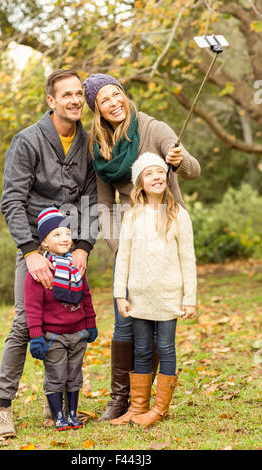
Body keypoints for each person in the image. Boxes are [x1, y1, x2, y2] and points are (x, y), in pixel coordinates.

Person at [83, 73, 200, 421]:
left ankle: (154, 404)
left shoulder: (154, 128)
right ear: (97, 109)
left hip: (165, 234)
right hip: (131, 240)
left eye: (116, 94)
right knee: (125, 324)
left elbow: (192, 170)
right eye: (104, 100)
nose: (113, 102)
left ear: (124, 94)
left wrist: (177, 159)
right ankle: (124, 401)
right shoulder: (100, 147)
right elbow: (104, 205)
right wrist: (121, 247)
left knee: (161, 325)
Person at [0, 69, 98, 438]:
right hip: (35, 248)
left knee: (69, 322)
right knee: (25, 323)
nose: (74, 100)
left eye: (78, 94)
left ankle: (59, 405)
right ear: (51, 101)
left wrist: (84, 246)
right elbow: (12, 201)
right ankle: (3, 407)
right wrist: (31, 252)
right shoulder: (27, 141)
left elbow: (91, 200)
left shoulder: (88, 142)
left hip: (72, 250)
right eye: (65, 94)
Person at [111, 152, 197, 426]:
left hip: (168, 296)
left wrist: (190, 299)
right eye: (149, 174)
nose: (156, 177)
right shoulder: (132, 216)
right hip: (139, 296)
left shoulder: (178, 215)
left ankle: (159, 409)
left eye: (160, 172)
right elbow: (123, 256)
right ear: (140, 183)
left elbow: (188, 259)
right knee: (142, 350)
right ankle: (137, 408)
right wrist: (120, 294)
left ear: (167, 178)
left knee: (165, 347)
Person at [25, 207, 98, 431]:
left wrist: (91, 324)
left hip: (77, 334)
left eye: (67, 233)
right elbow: (33, 307)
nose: (65, 238)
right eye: (57, 234)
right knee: (56, 376)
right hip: (53, 336)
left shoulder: (76, 269)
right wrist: (36, 336)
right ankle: (58, 416)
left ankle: (73, 414)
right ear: (44, 243)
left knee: (75, 375)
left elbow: (86, 298)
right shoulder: (40, 272)